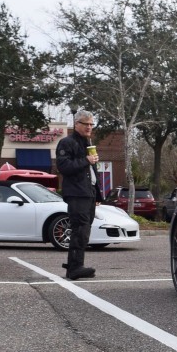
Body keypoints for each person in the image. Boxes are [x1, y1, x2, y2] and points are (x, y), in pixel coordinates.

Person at [56, 110, 104, 280]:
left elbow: (92, 173)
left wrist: (97, 195)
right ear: (76, 124)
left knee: (84, 230)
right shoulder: (66, 143)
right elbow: (64, 167)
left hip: (88, 194)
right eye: (86, 124)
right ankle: (75, 268)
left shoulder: (87, 144)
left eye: (92, 124)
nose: (89, 127)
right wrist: (86, 160)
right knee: (80, 229)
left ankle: (75, 265)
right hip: (76, 194)